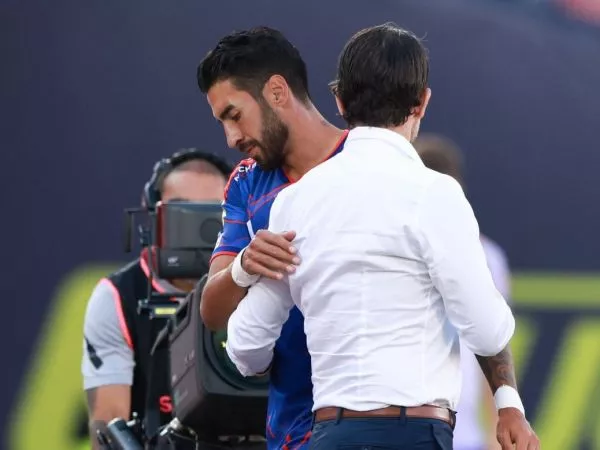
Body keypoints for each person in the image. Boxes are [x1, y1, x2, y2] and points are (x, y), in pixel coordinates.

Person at [224, 23, 540, 450]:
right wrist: (508, 403)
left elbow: (245, 348)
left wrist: (243, 275)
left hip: (328, 436)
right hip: (413, 435)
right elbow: (485, 326)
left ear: (339, 101)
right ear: (422, 102)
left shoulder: (293, 203)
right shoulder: (436, 193)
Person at [196, 26, 347, 449]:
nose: (231, 139)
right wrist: (244, 267)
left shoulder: (367, 159)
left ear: (277, 91)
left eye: (234, 115)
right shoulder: (246, 182)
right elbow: (212, 312)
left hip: (373, 418)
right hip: (292, 431)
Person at [81, 149, 230, 449]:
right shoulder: (118, 297)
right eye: (180, 213)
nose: (193, 230)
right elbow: (109, 425)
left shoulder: (260, 285)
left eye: (208, 215)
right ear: (153, 217)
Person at [414, 133, 512, 450]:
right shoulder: (387, 252)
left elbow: (493, 344)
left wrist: (497, 425)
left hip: (461, 432)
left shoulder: (488, 257)